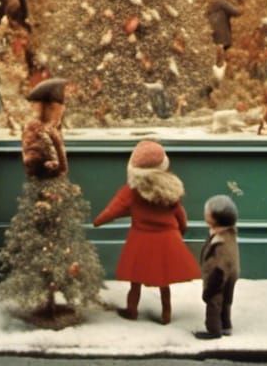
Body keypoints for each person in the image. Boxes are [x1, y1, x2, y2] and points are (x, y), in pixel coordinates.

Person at [92, 139, 200, 325]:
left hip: (141, 238)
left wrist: (98, 222)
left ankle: (132, 310)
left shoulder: (132, 191)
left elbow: (114, 209)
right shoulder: (171, 188)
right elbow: (180, 214)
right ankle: (166, 314)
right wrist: (181, 230)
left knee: (136, 280)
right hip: (167, 238)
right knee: (164, 280)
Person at [194, 194, 240, 339]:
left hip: (219, 275)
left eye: (207, 213)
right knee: (226, 301)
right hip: (230, 274)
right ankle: (226, 325)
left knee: (213, 301)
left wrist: (210, 288)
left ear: (214, 218)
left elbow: (221, 265)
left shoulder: (222, 241)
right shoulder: (228, 234)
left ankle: (213, 330)